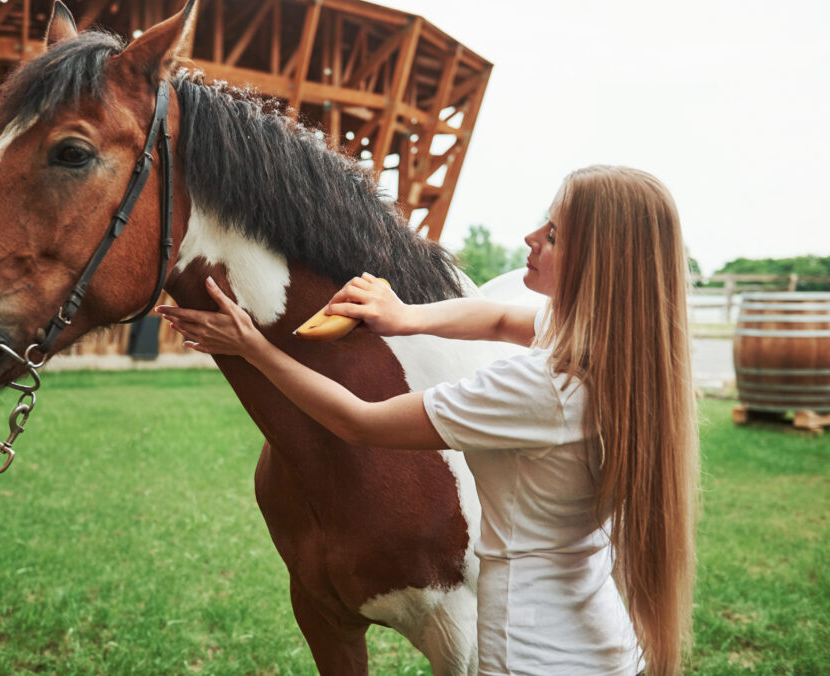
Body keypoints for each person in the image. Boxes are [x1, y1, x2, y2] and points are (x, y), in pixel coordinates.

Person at [157, 165, 699, 676]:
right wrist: (403, 315)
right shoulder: (611, 347)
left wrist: (253, 347)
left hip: (533, 651)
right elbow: (499, 315)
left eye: (554, 235)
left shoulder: (542, 389)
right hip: (598, 639)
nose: (532, 237)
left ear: (602, 263)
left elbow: (359, 422)